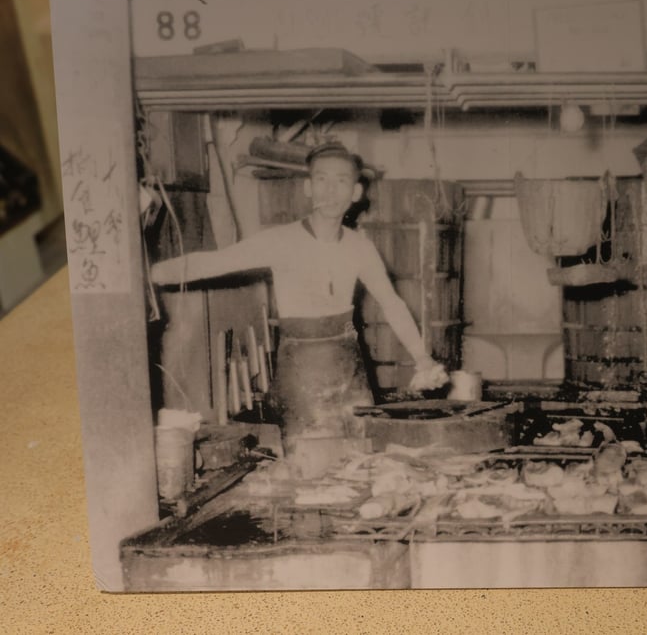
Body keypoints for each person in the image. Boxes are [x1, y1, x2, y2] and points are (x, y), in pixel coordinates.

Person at [150, 142, 449, 441]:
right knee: (309, 460)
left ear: (356, 193)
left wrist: (422, 358)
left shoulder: (360, 248)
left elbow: (391, 303)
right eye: (321, 180)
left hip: (349, 366)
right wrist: (152, 275)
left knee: (361, 453)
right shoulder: (281, 241)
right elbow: (215, 262)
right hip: (300, 367)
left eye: (341, 181)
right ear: (308, 187)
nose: (330, 191)